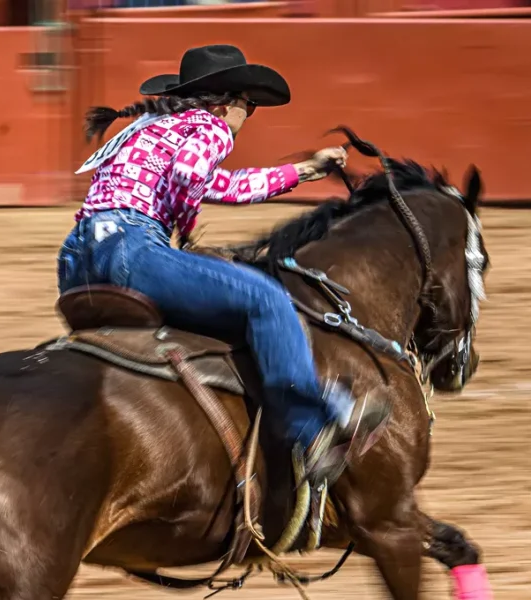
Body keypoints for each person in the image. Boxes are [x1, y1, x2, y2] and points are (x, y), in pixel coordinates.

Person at [57, 44, 390, 488]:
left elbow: (193, 186)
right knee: (265, 299)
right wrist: (297, 174)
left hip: (78, 260)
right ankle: (309, 433)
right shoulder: (210, 126)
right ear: (226, 101)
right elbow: (192, 175)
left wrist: (300, 173)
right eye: (248, 106)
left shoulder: (152, 124)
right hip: (131, 248)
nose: (247, 115)